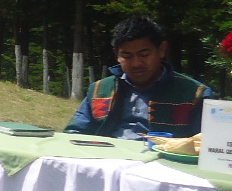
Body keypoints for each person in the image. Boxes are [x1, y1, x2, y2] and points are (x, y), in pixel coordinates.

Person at [65, 15, 213, 139]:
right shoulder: (100, 89)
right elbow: (75, 132)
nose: (136, 63)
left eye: (144, 55)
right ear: (117, 54)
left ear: (161, 50)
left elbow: (206, 145)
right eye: (127, 56)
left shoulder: (195, 94)